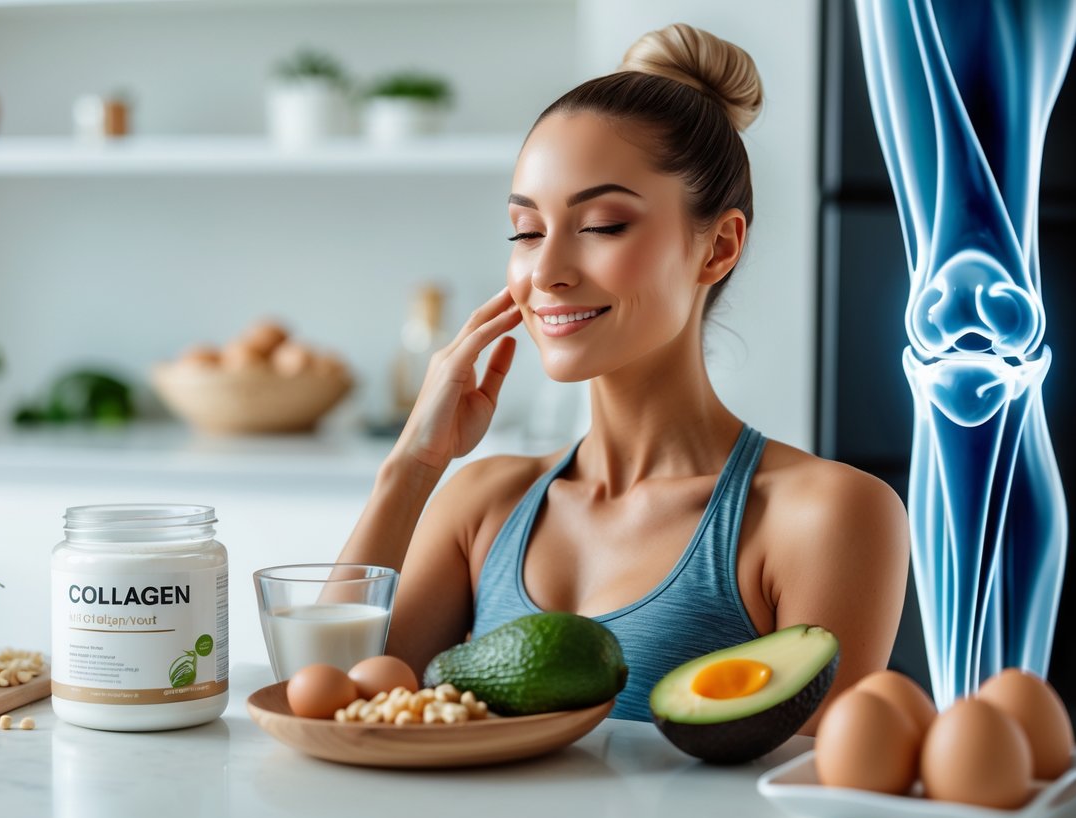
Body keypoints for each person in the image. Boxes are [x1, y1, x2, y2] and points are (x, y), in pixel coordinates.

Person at [338, 22, 910, 728]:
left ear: (717, 248)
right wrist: (412, 465)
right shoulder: (481, 505)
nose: (544, 271)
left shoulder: (823, 516)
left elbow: (825, 785)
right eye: (524, 230)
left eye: (603, 225)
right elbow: (325, 705)